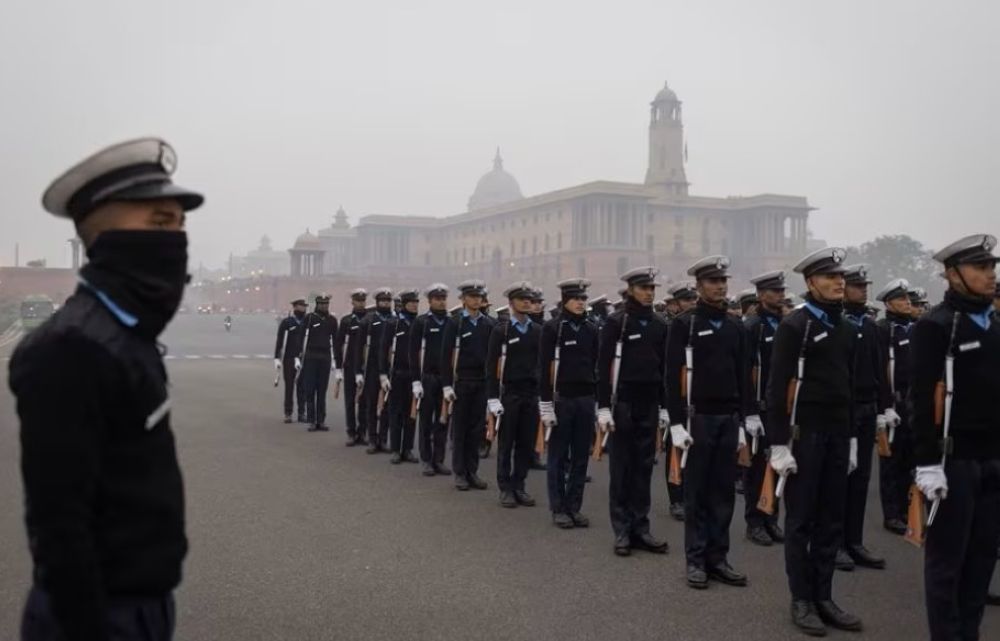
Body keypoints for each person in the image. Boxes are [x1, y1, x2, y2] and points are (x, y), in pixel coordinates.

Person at [10, 137, 203, 640]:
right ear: (104, 236)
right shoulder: (71, 348)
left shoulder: (125, 334)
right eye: (159, 223)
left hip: (142, 602)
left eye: (180, 224)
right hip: (97, 614)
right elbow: (60, 528)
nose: (176, 240)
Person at [767, 246, 862, 635]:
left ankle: (824, 596)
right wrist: (778, 444)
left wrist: (853, 437)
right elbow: (776, 389)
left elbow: (850, 387)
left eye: (841, 277)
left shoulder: (847, 327)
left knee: (830, 522)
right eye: (829, 277)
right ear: (810, 283)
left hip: (838, 434)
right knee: (802, 521)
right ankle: (802, 598)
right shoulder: (796, 325)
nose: (839, 282)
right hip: (805, 436)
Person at [911, 234, 1000, 641]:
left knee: (981, 561)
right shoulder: (937, 325)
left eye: (992, 267)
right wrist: (927, 462)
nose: (990, 274)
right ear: (952, 274)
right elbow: (921, 398)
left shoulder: (995, 323)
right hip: (954, 460)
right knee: (948, 563)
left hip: (992, 458)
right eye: (980, 267)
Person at [666, 256, 749, 589]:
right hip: (696, 417)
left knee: (723, 493)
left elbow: (744, 378)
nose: (720, 286)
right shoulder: (683, 325)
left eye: (723, 281)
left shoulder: (734, 326)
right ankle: (696, 559)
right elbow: (672, 378)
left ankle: (719, 557)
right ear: (698, 286)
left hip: (727, 418)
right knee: (698, 493)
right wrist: (675, 423)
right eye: (713, 281)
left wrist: (744, 422)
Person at [598, 267, 671, 557]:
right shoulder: (617, 322)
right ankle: (622, 530)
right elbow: (603, 368)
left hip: (649, 402)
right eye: (643, 287)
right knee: (621, 469)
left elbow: (664, 369)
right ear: (630, 289)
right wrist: (603, 406)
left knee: (643, 468)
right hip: (623, 403)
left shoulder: (659, 323)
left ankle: (641, 527)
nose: (649, 292)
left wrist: (665, 407)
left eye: (652, 287)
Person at [837, 265, 892, 571]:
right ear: (844, 288)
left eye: (865, 285)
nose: (864, 290)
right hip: (845, 407)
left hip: (867, 407)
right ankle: (834, 544)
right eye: (857, 286)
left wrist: (885, 407)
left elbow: (881, 370)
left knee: (860, 480)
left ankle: (854, 541)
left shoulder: (871, 326)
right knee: (838, 481)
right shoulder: (838, 324)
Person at [539, 278, 599, 529]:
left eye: (583, 299)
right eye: (576, 299)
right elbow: (544, 368)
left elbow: (597, 365)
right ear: (565, 300)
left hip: (585, 398)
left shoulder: (591, 329)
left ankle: (575, 506)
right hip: (561, 398)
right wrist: (545, 404)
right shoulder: (554, 328)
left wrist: (598, 403)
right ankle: (559, 507)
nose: (580, 303)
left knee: (580, 457)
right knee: (558, 455)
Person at [487, 281, 543, 508]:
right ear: (511, 303)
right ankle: (505, 488)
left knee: (525, 443)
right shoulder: (502, 330)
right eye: (522, 299)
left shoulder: (537, 331)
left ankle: (519, 485)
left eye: (530, 299)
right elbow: (491, 366)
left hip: (530, 393)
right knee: (506, 443)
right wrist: (492, 398)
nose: (527, 302)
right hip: (509, 393)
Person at [743, 270, 787, 547]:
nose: (780, 295)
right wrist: (749, 411)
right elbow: (746, 371)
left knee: (780, 464)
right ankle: (755, 521)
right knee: (757, 468)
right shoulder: (753, 326)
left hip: (781, 406)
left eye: (781, 290)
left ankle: (771, 517)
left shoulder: (787, 323)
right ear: (761, 295)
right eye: (774, 291)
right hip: (760, 408)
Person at [441, 280, 494, 491]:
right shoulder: (455, 323)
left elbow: (493, 358)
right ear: (463, 299)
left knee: (476, 430)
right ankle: (460, 472)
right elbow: (446, 357)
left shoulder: (488, 324)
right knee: (460, 429)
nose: (476, 300)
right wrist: (447, 385)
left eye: (479, 297)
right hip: (461, 381)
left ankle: (473, 471)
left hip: (481, 382)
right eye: (472, 296)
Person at [875, 279, 915, 536]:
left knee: (909, 460)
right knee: (891, 461)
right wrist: (884, 406)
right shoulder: (883, 329)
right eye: (901, 299)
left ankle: (905, 509)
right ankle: (891, 514)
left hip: (913, 403)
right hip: (894, 402)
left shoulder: (914, 329)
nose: (908, 303)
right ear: (889, 303)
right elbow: (879, 370)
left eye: (908, 299)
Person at [410, 283, 453, 477]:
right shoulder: (422, 322)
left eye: (443, 298)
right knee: (426, 420)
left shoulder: (453, 322)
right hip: (428, 377)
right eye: (437, 299)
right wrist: (416, 380)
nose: (441, 302)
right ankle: (426, 460)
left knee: (443, 420)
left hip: (446, 378)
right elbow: (414, 352)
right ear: (430, 301)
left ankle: (439, 459)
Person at [663, 281, 698, 521]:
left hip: (696, 397)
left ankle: (691, 496)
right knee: (675, 450)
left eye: (693, 299)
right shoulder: (669, 327)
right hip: (676, 396)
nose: (692, 304)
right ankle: (676, 498)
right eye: (687, 300)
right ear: (675, 304)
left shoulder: (696, 324)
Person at [380, 288, 420, 464]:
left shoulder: (420, 324)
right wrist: (383, 374)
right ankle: (396, 449)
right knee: (395, 413)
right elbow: (384, 350)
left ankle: (408, 448)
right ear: (404, 305)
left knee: (411, 413)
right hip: (397, 373)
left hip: (414, 375)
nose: (414, 305)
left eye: (416, 302)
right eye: (411, 302)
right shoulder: (393, 324)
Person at [357, 288, 395, 453]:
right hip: (372, 367)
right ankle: (372, 438)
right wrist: (358, 370)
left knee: (386, 404)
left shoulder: (394, 320)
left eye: (388, 300)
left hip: (389, 366)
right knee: (371, 403)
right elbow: (360, 347)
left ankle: (383, 439)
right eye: (383, 300)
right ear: (377, 302)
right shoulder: (369, 321)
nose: (386, 303)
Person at [300, 295, 338, 432]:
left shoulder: (332, 320)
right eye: (321, 304)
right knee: (310, 390)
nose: (324, 306)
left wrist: (337, 361)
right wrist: (298, 356)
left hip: (325, 357)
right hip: (311, 356)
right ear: (316, 304)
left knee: (322, 391)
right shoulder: (310, 318)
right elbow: (301, 337)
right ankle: (311, 420)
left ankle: (321, 420)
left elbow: (336, 341)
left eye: (326, 304)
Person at [336, 289, 369, 446]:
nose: (361, 303)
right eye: (358, 300)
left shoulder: (370, 319)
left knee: (364, 401)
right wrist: (337, 368)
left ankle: (362, 432)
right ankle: (351, 431)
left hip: (365, 365)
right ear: (353, 302)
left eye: (363, 300)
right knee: (350, 401)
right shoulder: (346, 321)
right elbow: (339, 344)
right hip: (349, 365)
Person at [274, 299, 309, 423]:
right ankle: (288, 412)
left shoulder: (308, 321)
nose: (304, 308)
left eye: (305, 306)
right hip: (289, 358)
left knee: (302, 386)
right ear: (295, 307)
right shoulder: (287, 322)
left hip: (303, 357)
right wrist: (277, 357)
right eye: (301, 306)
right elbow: (280, 340)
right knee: (289, 387)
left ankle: (302, 413)